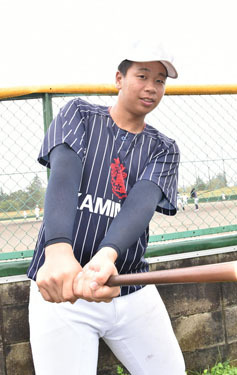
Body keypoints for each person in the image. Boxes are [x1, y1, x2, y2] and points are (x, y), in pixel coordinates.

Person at [26, 42, 185, 374]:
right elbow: (64, 177)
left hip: (130, 287)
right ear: (119, 79)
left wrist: (106, 255)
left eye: (160, 81)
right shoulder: (79, 114)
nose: (152, 88)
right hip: (63, 290)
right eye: (142, 76)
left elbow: (140, 206)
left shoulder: (164, 148)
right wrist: (57, 252)